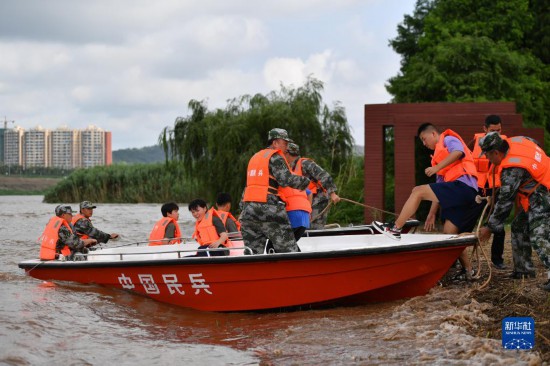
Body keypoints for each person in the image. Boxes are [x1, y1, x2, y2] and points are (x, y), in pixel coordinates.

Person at [373, 123, 480, 280]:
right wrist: (431, 213)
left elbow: (458, 152)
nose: (424, 144)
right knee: (450, 235)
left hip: (465, 188)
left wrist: (437, 169)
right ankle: (468, 271)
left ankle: (396, 228)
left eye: (424, 139)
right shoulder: (437, 160)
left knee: (417, 191)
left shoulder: (448, 139)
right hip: (460, 194)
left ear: (434, 134)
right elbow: (438, 189)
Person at [477, 132, 550, 291]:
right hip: (539, 190)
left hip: (544, 194)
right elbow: (535, 141)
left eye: (488, 156)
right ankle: (523, 271)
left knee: (539, 235)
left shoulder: (512, 170)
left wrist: (489, 228)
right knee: (518, 226)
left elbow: (505, 202)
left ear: (496, 152)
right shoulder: (520, 140)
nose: (488, 160)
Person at [240, 128, 311, 254]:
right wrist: (306, 182)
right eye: (285, 143)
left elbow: (249, 185)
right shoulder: (275, 156)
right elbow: (286, 179)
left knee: (252, 254)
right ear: (275, 143)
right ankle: (296, 272)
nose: (287, 147)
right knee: (288, 250)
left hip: (248, 212)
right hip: (268, 209)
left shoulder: (255, 157)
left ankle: (255, 273)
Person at [469, 115, 507, 270]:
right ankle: (458, 258)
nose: (496, 134)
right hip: (477, 188)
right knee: (468, 222)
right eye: (492, 130)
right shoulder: (474, 142)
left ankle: (497, 259)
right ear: (484, 129)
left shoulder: (504, 144)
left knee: (498, 225)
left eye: (498, 130)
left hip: (495, 188)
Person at [281, 142, 340, 240]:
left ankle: (316, 245)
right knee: (303, 225)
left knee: (314, 226)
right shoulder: (289, 167)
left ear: (287, 153)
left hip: (319, 199)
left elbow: (323, 175)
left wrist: (332, 193)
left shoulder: (305, 164)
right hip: (305, 201)